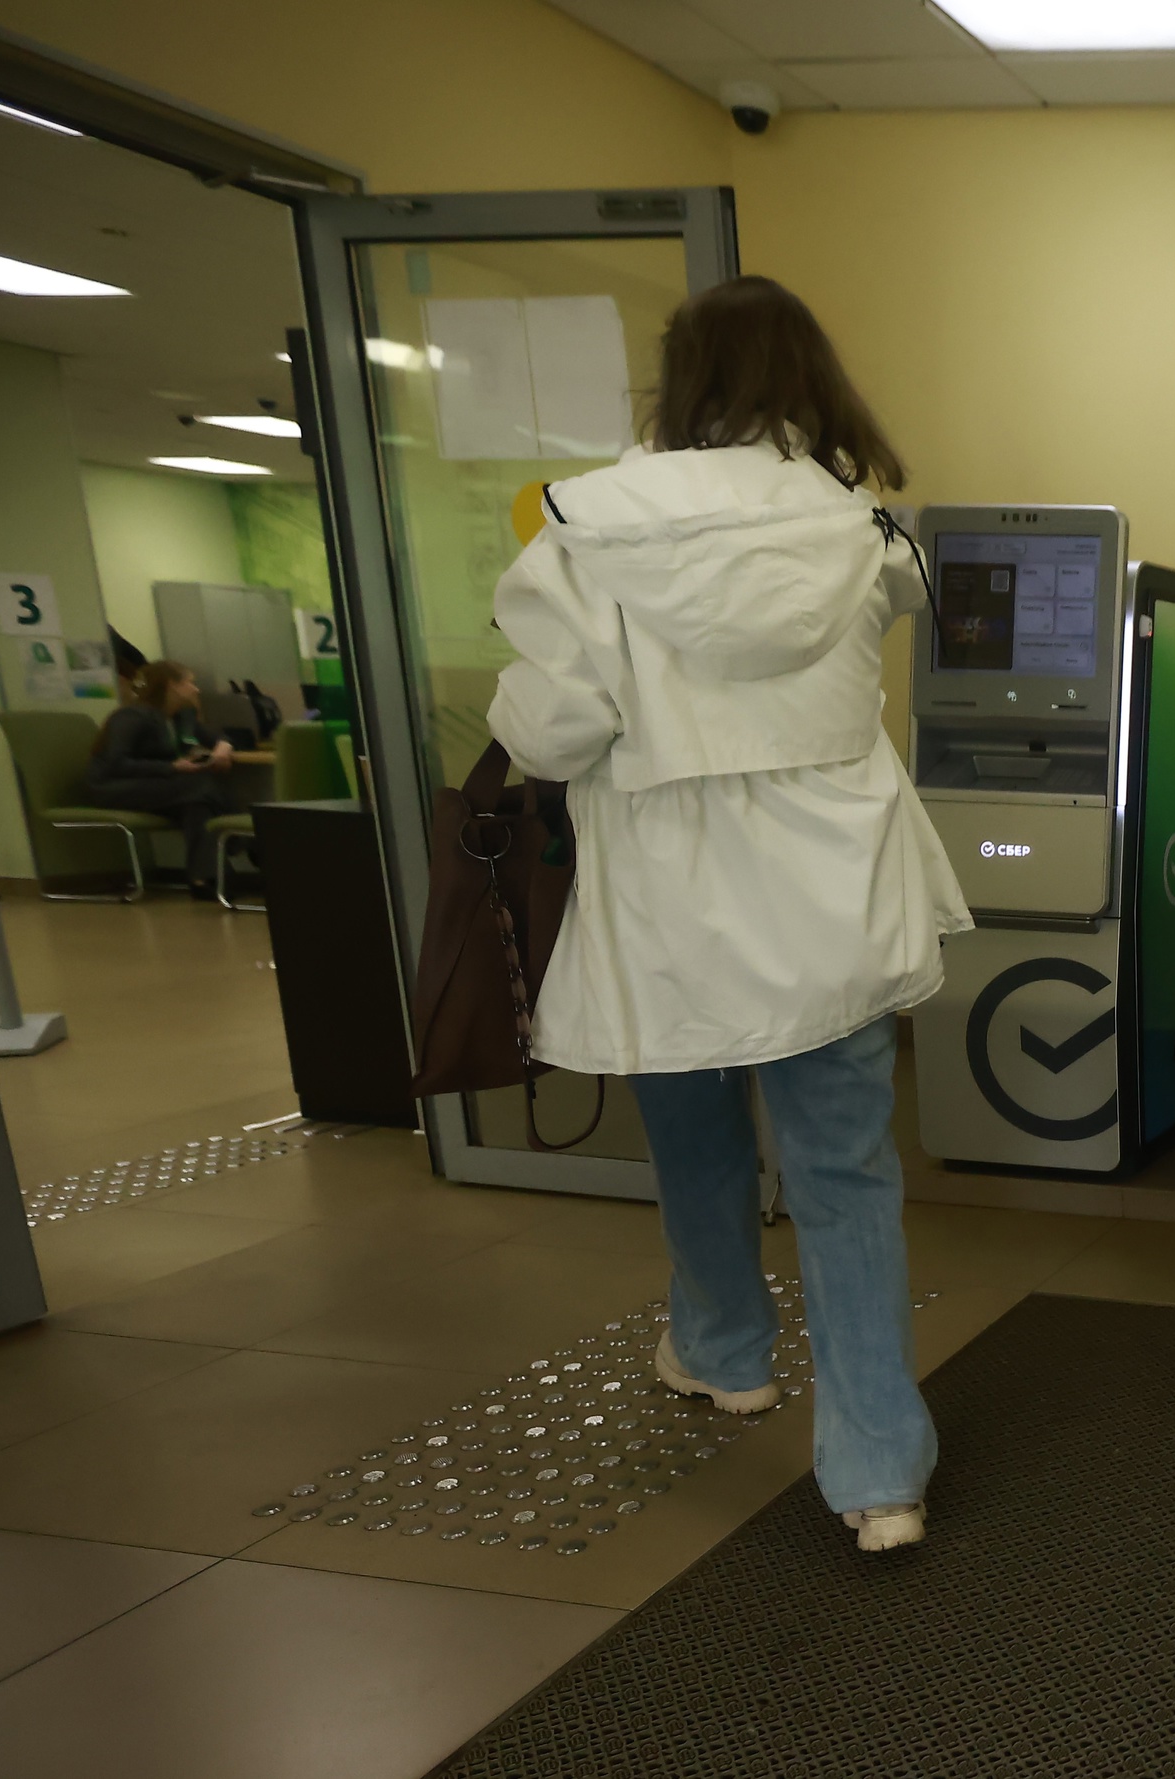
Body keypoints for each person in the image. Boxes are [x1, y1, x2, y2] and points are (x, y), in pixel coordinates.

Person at [487, 275, 970, 1554]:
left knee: (694, 1138)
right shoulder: (862, 533)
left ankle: (724, 1350)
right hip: (835, 901)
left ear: (678, 377)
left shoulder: (586, 533)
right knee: (846, 1177)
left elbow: (550, 733)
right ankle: (880, 1472)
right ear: (814, 378)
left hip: (672, 909)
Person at [84, 658, 238, 899]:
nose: (196, 689)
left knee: (197, 805)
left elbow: (217, 737)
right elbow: (117, 763)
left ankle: (204, 879)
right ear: (172, 685)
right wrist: (171, 767)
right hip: (113, 788)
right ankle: (245, 843)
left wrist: (222, 748)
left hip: (156, 787)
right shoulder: (131, 716)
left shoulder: (181, 717)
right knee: (200, 786)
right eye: (189, 683)